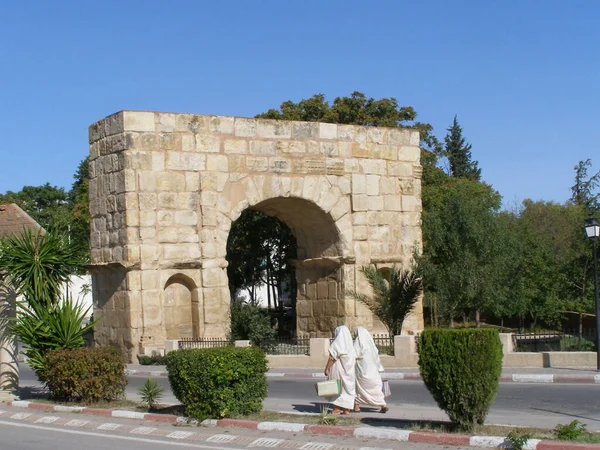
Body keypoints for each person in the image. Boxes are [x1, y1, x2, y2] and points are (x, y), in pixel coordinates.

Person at [353, 326, 388, 413]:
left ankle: (356, 406)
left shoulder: (358, 342)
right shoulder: (370, 343)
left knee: (359, 388)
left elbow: (354, 354)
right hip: (373, 371)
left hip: (362, 371)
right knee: (375, 388)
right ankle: (383, 404)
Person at [323, 325, 356, 415]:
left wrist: (327, 368)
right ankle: (346, 410)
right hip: (349, 373)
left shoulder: (338, 344)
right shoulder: (351, 347)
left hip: (339, 373)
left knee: (338, 389)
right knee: (347, 390)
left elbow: (332, 358)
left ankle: (336, 409)